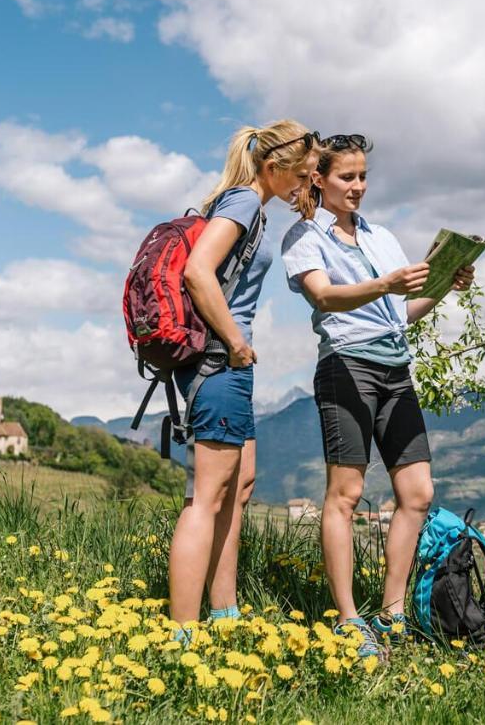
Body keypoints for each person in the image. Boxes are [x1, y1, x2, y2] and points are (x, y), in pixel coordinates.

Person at [280, 133, 474, 660]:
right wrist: (387, 284)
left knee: (418, 493)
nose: (358, 186)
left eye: (363, 176)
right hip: (347, 367)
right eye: (347, 177)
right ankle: (348, 620)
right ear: (319, 179)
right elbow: (324, 296)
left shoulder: (381, 236)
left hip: (395, 370)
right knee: (344, 494)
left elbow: (401, 313)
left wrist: (441, 286)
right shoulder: (304, 236)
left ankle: (391, 614)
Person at [167, 120, 319, 641]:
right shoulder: (243, 204)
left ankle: (224, 612)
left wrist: (305, 199)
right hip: (218, 362)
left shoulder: (249, 203)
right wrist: (235, 343)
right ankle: (183, 635)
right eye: (300, 174)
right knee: (206, 498)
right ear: (272, 168)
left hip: (228, 366)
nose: (305, 183)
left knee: (240, 486)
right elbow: (197, 272)